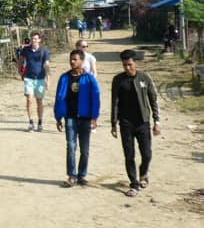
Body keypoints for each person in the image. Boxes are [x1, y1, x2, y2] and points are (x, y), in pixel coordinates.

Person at [111, 49, 161, 197]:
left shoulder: (144, 78)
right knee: (129, 154)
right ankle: (133, 183)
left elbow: (153, 99)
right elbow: (115, 102)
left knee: (147, 153)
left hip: (143, 122)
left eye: (130, 64)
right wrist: (114, 123)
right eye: (124, 65)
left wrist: (156, 121)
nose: (127, 68)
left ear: (135, 63)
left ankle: (143, 173)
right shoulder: (118, 80)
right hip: (126, 123)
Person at [54, 50, 100, 186]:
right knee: (71, 146)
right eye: (71, 59)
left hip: (85, 118)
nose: (72, 62)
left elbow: (95, 98)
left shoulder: (89, 78)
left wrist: (94, 117)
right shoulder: (64, 78)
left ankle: (82, 175)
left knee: (84, 149)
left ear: (82, 61)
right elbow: (59, 97)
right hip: (70, 118)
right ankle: (72, 175)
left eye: (75, 59)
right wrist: (58, 117)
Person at [18, 32, 50, 131]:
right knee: (29, 100)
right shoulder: (26, 50)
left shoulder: (44, 51)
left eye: (35, 39)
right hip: (28, 78)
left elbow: (47, 65)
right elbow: (20, 59)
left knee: (39, 101)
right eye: (32, 39)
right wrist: (20, 71)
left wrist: (48, 79)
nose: (33, 40)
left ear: (39, 40)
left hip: (40, 78)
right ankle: (31, 122)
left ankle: (40, 122)